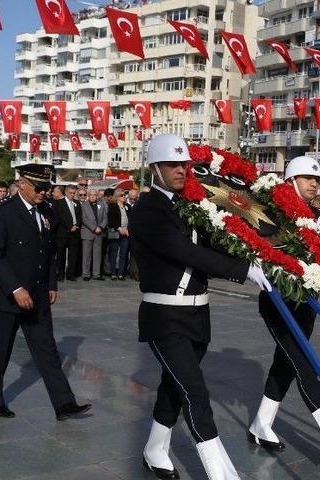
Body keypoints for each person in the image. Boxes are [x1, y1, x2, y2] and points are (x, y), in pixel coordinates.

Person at [130, 134, 270, 480]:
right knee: (195, 393)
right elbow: (185, 251)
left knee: (174, 387)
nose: (181, 171)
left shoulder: (191, 205)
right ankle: (223, 474)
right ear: (155, 169)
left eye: (184, 165)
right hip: (165, 317)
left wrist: (259, 255)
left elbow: (214, 244)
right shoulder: (147, 210)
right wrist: (242, 271)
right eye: (173, 165)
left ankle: (154, 449)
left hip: (197, 316)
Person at [247, 155, 320, 462]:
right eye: (308, 178)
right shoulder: (273, 213)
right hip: (277, 301)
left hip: (306, 303)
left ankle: (261, 424)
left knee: (285, 364)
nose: (315, 183)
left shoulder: (319, 217)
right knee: (302, 360)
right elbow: (263, 247)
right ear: (290, 181)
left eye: (317, 180)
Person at [0, 163, 91, 421]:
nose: (43, 192)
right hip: (9, 296)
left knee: (47, 350)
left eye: (47, 187)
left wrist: (51, 284)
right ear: (22, 184)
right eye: (39, 188)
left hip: (38, 294)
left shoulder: (47, 211)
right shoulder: (2, 212)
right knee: (0, 349)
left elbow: (48, 252)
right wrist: (15, 288)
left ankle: (64, 403)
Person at [51, 185, 81, 282]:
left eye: (74, 193)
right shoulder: (59, 203)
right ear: (66, 192)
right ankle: (60, 274)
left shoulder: (77, 203)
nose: (72, 195)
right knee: (61, 255)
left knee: (73, 254)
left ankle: (70, 274)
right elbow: (60, 217)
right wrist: (69, 226)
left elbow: (80, 216)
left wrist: (76, 225)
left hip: (75, 233)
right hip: (62, 233)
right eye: (70, 193)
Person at [80, 188, 107, 281]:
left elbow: (105, 217)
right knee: (86, 255)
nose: (92, 196)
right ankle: (86, 274)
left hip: (99, 233)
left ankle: (96, 274)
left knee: (97, 254)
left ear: (97, 196)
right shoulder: (84, 205)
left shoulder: (101, 204)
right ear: (88, 196)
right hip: (88, 232)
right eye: (90, 195)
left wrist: (101, 227)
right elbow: (84, 219)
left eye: (94, 195)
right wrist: (94, 228)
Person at [106, 188, 130, 280]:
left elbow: (131, 219)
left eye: (124, 195)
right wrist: (119, 228)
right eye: (122, 195)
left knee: (123, 254)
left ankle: (120, 273)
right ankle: (113, 273)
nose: (124, 197)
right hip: (115, 232)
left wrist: (128, 229)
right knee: (114, 253)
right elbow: (111, 220)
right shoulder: (112, 206)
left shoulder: (127, 206)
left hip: (126, 233)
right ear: (117, 196)